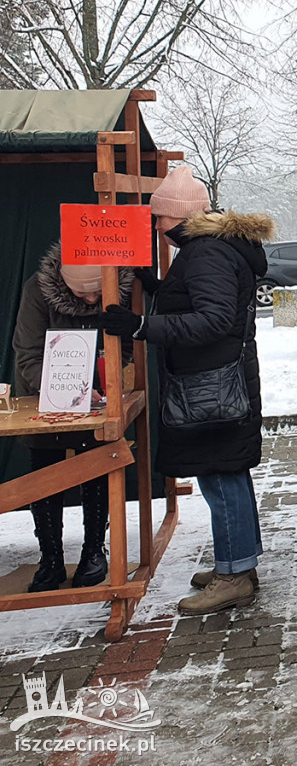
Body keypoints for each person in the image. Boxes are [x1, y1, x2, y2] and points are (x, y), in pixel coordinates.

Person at [96, 165, 274, 615]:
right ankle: (239, 563)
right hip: (219, 382)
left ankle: (234, 576)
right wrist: (155, 286)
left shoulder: (205, 254)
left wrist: (140, 325)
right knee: (227, 471)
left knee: (220, 473)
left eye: (158, 218)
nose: (156, 227)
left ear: (176, 217)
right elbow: (203, 302)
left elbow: (213, 320)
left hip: (212, 386)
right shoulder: (209, 250)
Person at [12, 249, 134, 591]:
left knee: (94, 468)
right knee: (45, 474)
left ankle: (93, 551)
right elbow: (28, 352)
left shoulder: (116, 289)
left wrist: (105, 381)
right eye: (83, 293)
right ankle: (49, 558)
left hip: (96, 394)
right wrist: (64, 391)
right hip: (44, 397)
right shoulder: (37, 292)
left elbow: (122, 345)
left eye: (97, 291)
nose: (93, 298)